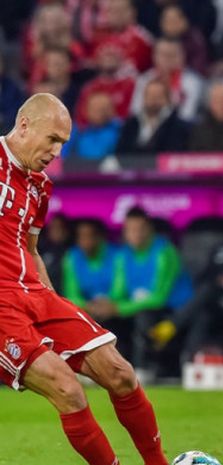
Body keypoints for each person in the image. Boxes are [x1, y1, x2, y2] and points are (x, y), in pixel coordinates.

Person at [0, 93, 170, 465]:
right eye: (53, 139)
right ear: (25, 125)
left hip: (33, 292)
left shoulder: (40, 185)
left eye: (63, 143)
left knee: (120, 373)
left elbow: (30, 249)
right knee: (67, 388)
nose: (57, 152)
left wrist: (48, 298)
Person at [150, 196, 223, 385]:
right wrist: (222, 282)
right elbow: (204, 276)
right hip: (217, 302)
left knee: (211, 300)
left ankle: (172, 325)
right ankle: (189, 371)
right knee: (204, 307)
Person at [87, 207, 193, 377]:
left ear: (149, 229)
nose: (135, 234)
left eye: (140, 229)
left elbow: (159, 298)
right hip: (138, 307)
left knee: (143, 316)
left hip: (173, 312)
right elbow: (118, 292)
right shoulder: (123, 256)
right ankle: (103, 369)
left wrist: (119, 308)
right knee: (102, 317)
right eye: (130, 230)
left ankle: (144, 369)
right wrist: (106, 305)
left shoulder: (164, 252)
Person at [129, 38, 205, 123]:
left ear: (183, 56)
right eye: (163, 54)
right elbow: (135, 111)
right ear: (154, 56)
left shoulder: (192, 82)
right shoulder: (144, 79)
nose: (168, 59)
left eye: (172, 54)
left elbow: (187, 114)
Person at [116, 78, 190, 154]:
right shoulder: (131, 124)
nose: (153, 100)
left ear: (167, 99)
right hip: (131, 164)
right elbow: (121, 152)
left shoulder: (178, 127)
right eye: (150, 95)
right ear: (144, 98)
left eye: (158, 96)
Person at [62, 219, 120, 310]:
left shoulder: (116, 254)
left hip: (112, 308)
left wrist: (108, 304)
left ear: (99, 237)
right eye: (81, 237)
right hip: (86, 309)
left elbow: (120, 289)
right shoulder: (72, 257)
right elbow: (71, 294)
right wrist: (87, 306)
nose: (85, 241)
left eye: (89, 236)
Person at [74, 40, 136, 125]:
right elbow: (81, 118)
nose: (109, 60)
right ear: (98, 60)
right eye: (106, 56)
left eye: (113, 56)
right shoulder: (90, 87)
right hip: (91, 132)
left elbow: (132, 114)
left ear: (121, 60)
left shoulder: (129, 85)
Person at [64, 92, 122, 161]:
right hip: (80, 169)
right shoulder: (79, 133)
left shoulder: (120, 131)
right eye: (93, 108)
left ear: (111, 110)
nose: (97, 112)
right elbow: (64, 157)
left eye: (102, 109)